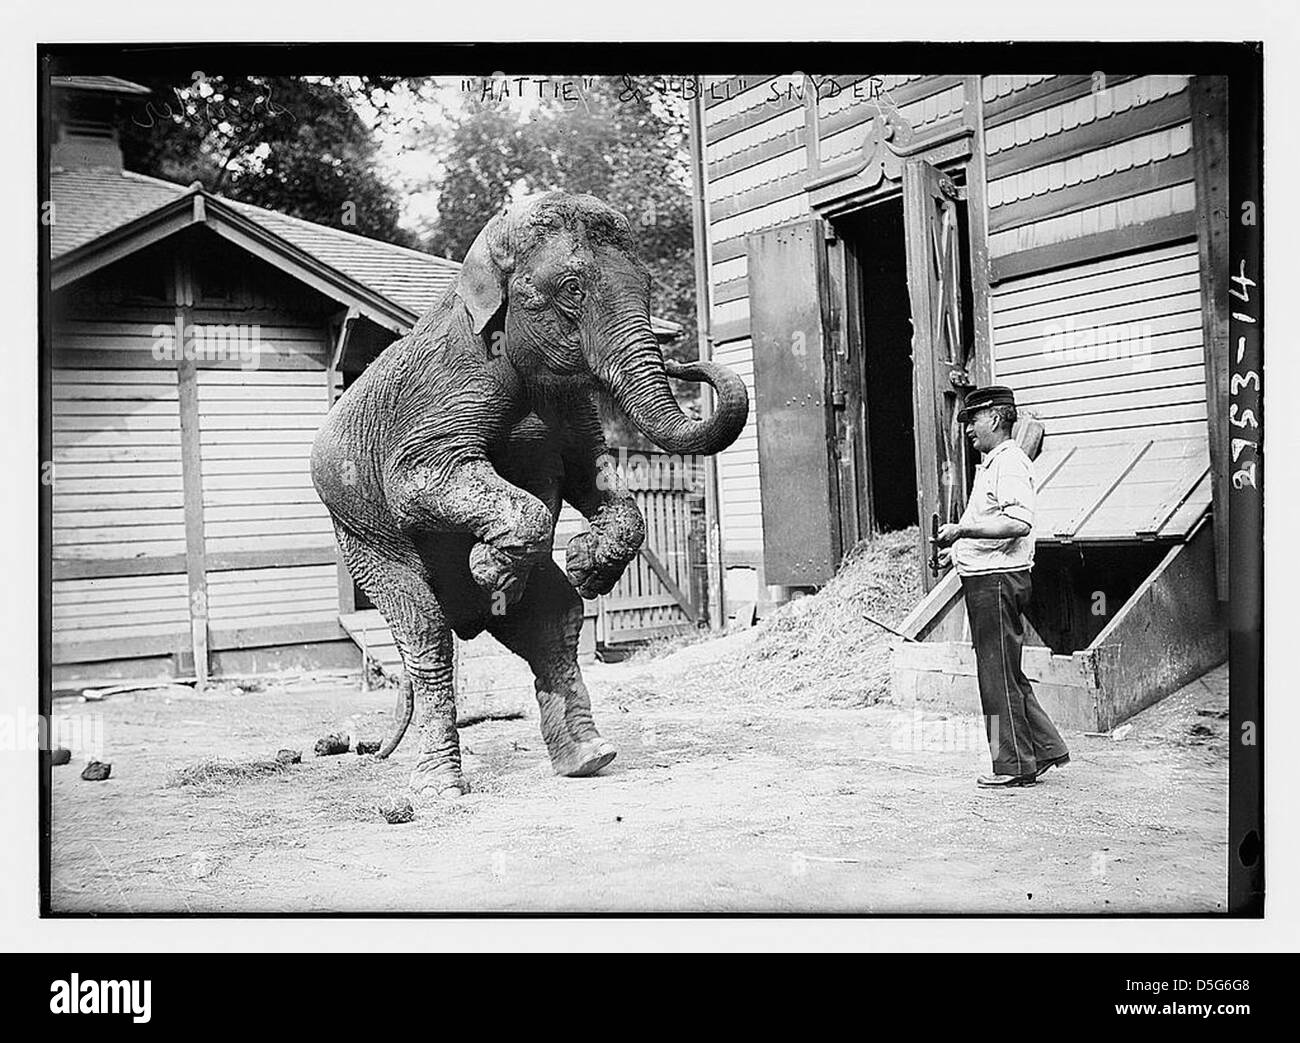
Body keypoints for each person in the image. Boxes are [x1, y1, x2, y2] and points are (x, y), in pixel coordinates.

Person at [934, 385, 1070, 790]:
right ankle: (1043, 750)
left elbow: (1018, 523)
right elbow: (996, 524)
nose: (968, 430)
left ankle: (1012, 765)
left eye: (973, 420)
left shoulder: (1008, 463)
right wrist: (958, 550)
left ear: (994, 418)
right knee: (1007, 674)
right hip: (990, 577)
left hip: (995, 582)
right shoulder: (996, 463)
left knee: (996, 679)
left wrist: (962, 529)